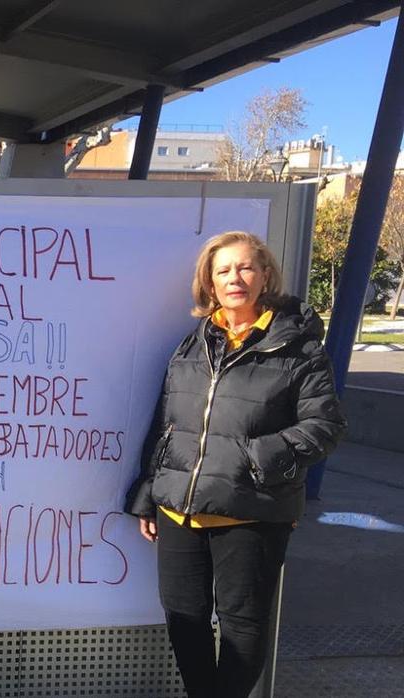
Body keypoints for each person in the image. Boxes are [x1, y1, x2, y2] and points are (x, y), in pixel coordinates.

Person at [125, 230, 346, 697]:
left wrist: (250, 458)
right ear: (209, 282)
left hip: (251, 511)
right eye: (223, 270)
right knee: (183, 620)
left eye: (246, 267)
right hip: (179, 512)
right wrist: (150, 490)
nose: (235, 278)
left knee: (243, 628)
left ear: (265, 275)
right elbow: (168, 421)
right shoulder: (193, 344)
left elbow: (323, 427)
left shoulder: (299, 348)